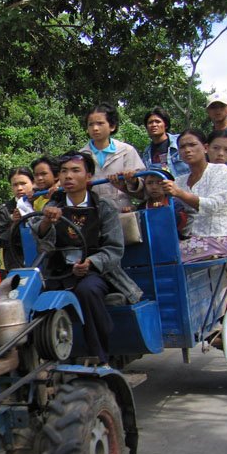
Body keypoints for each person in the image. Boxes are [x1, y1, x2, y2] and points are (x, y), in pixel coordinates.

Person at [36, 151, 142, 365]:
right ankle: (45, 361)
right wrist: (47, 223)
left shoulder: (103, 208)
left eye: (75, 171)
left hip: (97, 274)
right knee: (33, 298)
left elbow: (114, 249)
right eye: (64, 171)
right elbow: (43, 246)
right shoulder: (51, 207)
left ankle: (100, 356)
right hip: (59, 273)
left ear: (89, 176)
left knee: (87, 290)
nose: (68, 176)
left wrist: (92, 263)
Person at [161, 129, 227, 262]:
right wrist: (129, 185)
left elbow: (212, 206)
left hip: (222, 238)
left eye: (192, 145)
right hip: (195, 239)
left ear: (205, 148)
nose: (187, 150)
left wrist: (180, 193)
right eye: (182, 147)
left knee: (168, 254)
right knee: (156, 250)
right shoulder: (180, 180)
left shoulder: (219, 171)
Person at [79, 102, 145, 211]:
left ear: (112, 126)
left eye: (100, 123)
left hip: (122, 212)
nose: (95, 128)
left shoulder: (126, 151)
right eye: (91, 124)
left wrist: (133, 181)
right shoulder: (80, 156)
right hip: (93, 214)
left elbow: (143, 188)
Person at [0, 167, 35, 271]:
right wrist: (15, 224)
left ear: (33, 183)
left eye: (23, 183)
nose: (19, 188)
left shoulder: (43, 202)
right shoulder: (4, 210)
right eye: (15, 185)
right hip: (17, 266)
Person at [140, 107, 190, 178]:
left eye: (158, 121)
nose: (154, 125)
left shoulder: (180, 142)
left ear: (165, 125)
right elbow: (164, 169)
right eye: (150, 122)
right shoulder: (146, 153)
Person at [136, 171, 188, 238]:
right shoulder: (143, 206)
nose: (154, 187)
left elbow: (181, 223)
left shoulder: (174, 203)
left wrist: (165, 210)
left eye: (159, 183)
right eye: (149, 183)